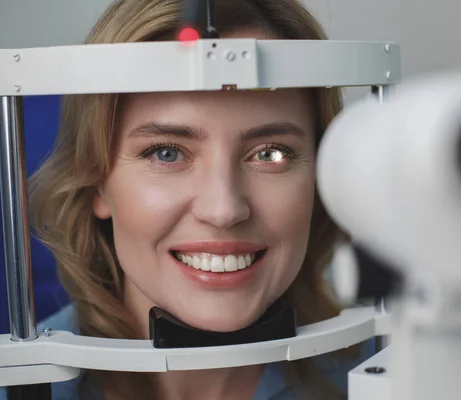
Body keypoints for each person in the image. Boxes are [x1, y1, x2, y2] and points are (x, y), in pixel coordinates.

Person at [1, 0, 375, 399]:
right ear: (96, 182)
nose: (224, 210)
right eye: (167, 152)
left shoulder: (393, 372)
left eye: (270, 153)